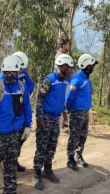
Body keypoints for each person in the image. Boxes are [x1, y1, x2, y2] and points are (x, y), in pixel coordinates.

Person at [0, 56, 32, 194]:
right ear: (2, 71)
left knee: (11, 167)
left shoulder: (22, 87)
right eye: (6, 72)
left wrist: (27, 125)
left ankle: (10, 190)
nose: (9, 75)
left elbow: (26, 107)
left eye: (12, 73)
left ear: (17, 72)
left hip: (15, 135)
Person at [32, 54, 73, 190]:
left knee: (52, 145)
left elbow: (61, 99)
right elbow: (39, 99)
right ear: (63, 66)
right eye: (69, 68)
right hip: (46, 118)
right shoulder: (49, 80)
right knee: (42, 147)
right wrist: (40, 118)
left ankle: (47, 169)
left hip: (56, 119)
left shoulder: (64, 81)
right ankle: (37, 173)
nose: (71, 70)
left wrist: (64, 113)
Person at [0, 51, 34, 172]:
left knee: (18, 142)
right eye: (20, 68)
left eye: (22, 69)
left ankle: (13, 161)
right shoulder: (1, 79)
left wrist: (25, 94)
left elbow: (30, 85)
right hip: (5, 120)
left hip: (19, 114)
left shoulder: (22, 74)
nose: (21, 70)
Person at [65, 54, 97, 171]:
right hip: (76, 112)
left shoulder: (87, 77)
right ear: (86, 66)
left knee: (83, 135)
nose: (93, 68)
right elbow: (69, 97)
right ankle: (70, 159)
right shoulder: (76, 79)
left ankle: (79, 155)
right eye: (91, 66)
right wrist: (68, 110)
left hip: (85, 112)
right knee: (74, 136)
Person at [55, 39, 71, 133]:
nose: (68, 46)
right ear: (63, 45)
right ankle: (59, 125)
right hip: (62, 82)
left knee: (64, 101)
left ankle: (63, 122)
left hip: (65, 81)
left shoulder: (64, 54)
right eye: (67, 44)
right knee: (61, 101)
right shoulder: (59, 56)